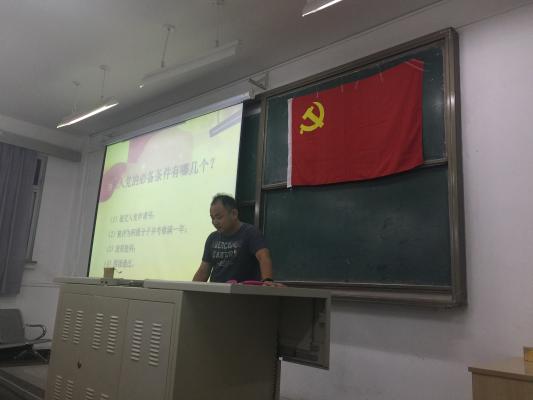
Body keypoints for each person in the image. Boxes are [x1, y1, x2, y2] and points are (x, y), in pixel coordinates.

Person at [193, 194, 275, 284]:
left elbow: (263, 257)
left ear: (234, 214)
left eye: (219, 217)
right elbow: (203, 270)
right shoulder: (212, 238)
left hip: (242, 290)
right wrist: (189, 288)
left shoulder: (250, 233)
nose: (215, 222)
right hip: (217, 290)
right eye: (212, 218)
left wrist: (267, 281)